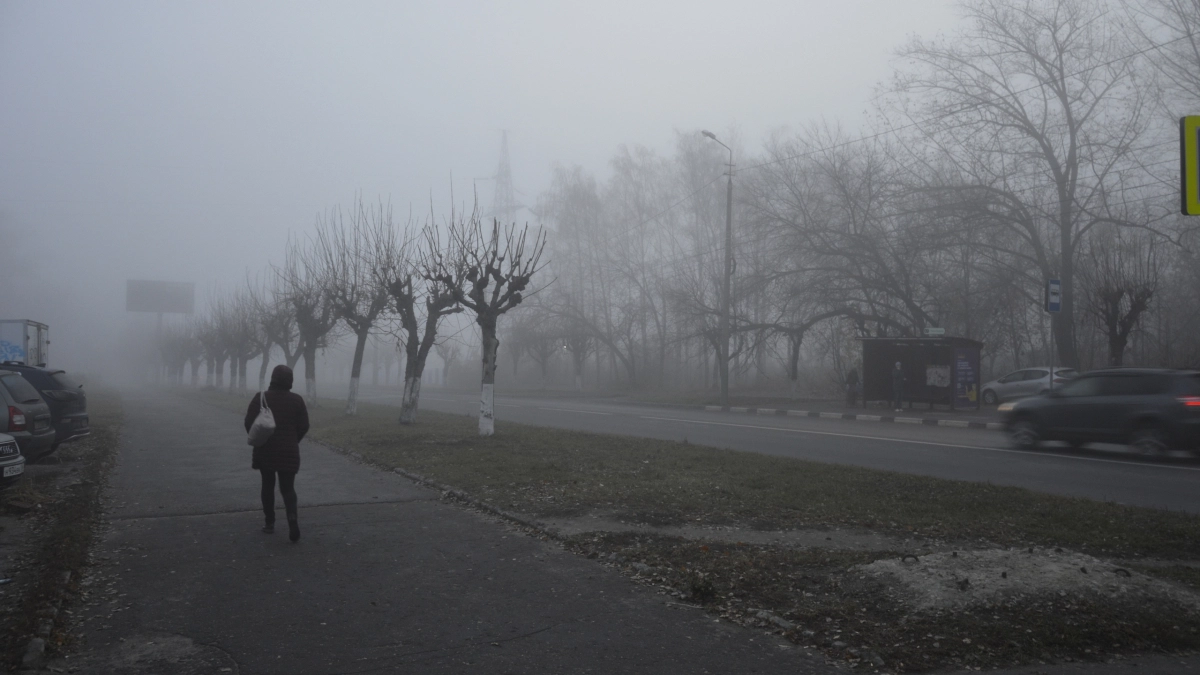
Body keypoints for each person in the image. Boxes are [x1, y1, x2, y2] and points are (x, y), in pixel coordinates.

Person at [244, 364, 310, 542]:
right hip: (289, 451)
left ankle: (269, 523)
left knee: (268, 485)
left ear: (272, 379)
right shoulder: (297, 400)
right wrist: (292, 440)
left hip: (265, 450)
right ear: (290, 380)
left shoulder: (261, 398)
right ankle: (292, 520)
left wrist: (260, 438)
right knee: (288, 489)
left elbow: (249, 423)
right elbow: (304, 425)